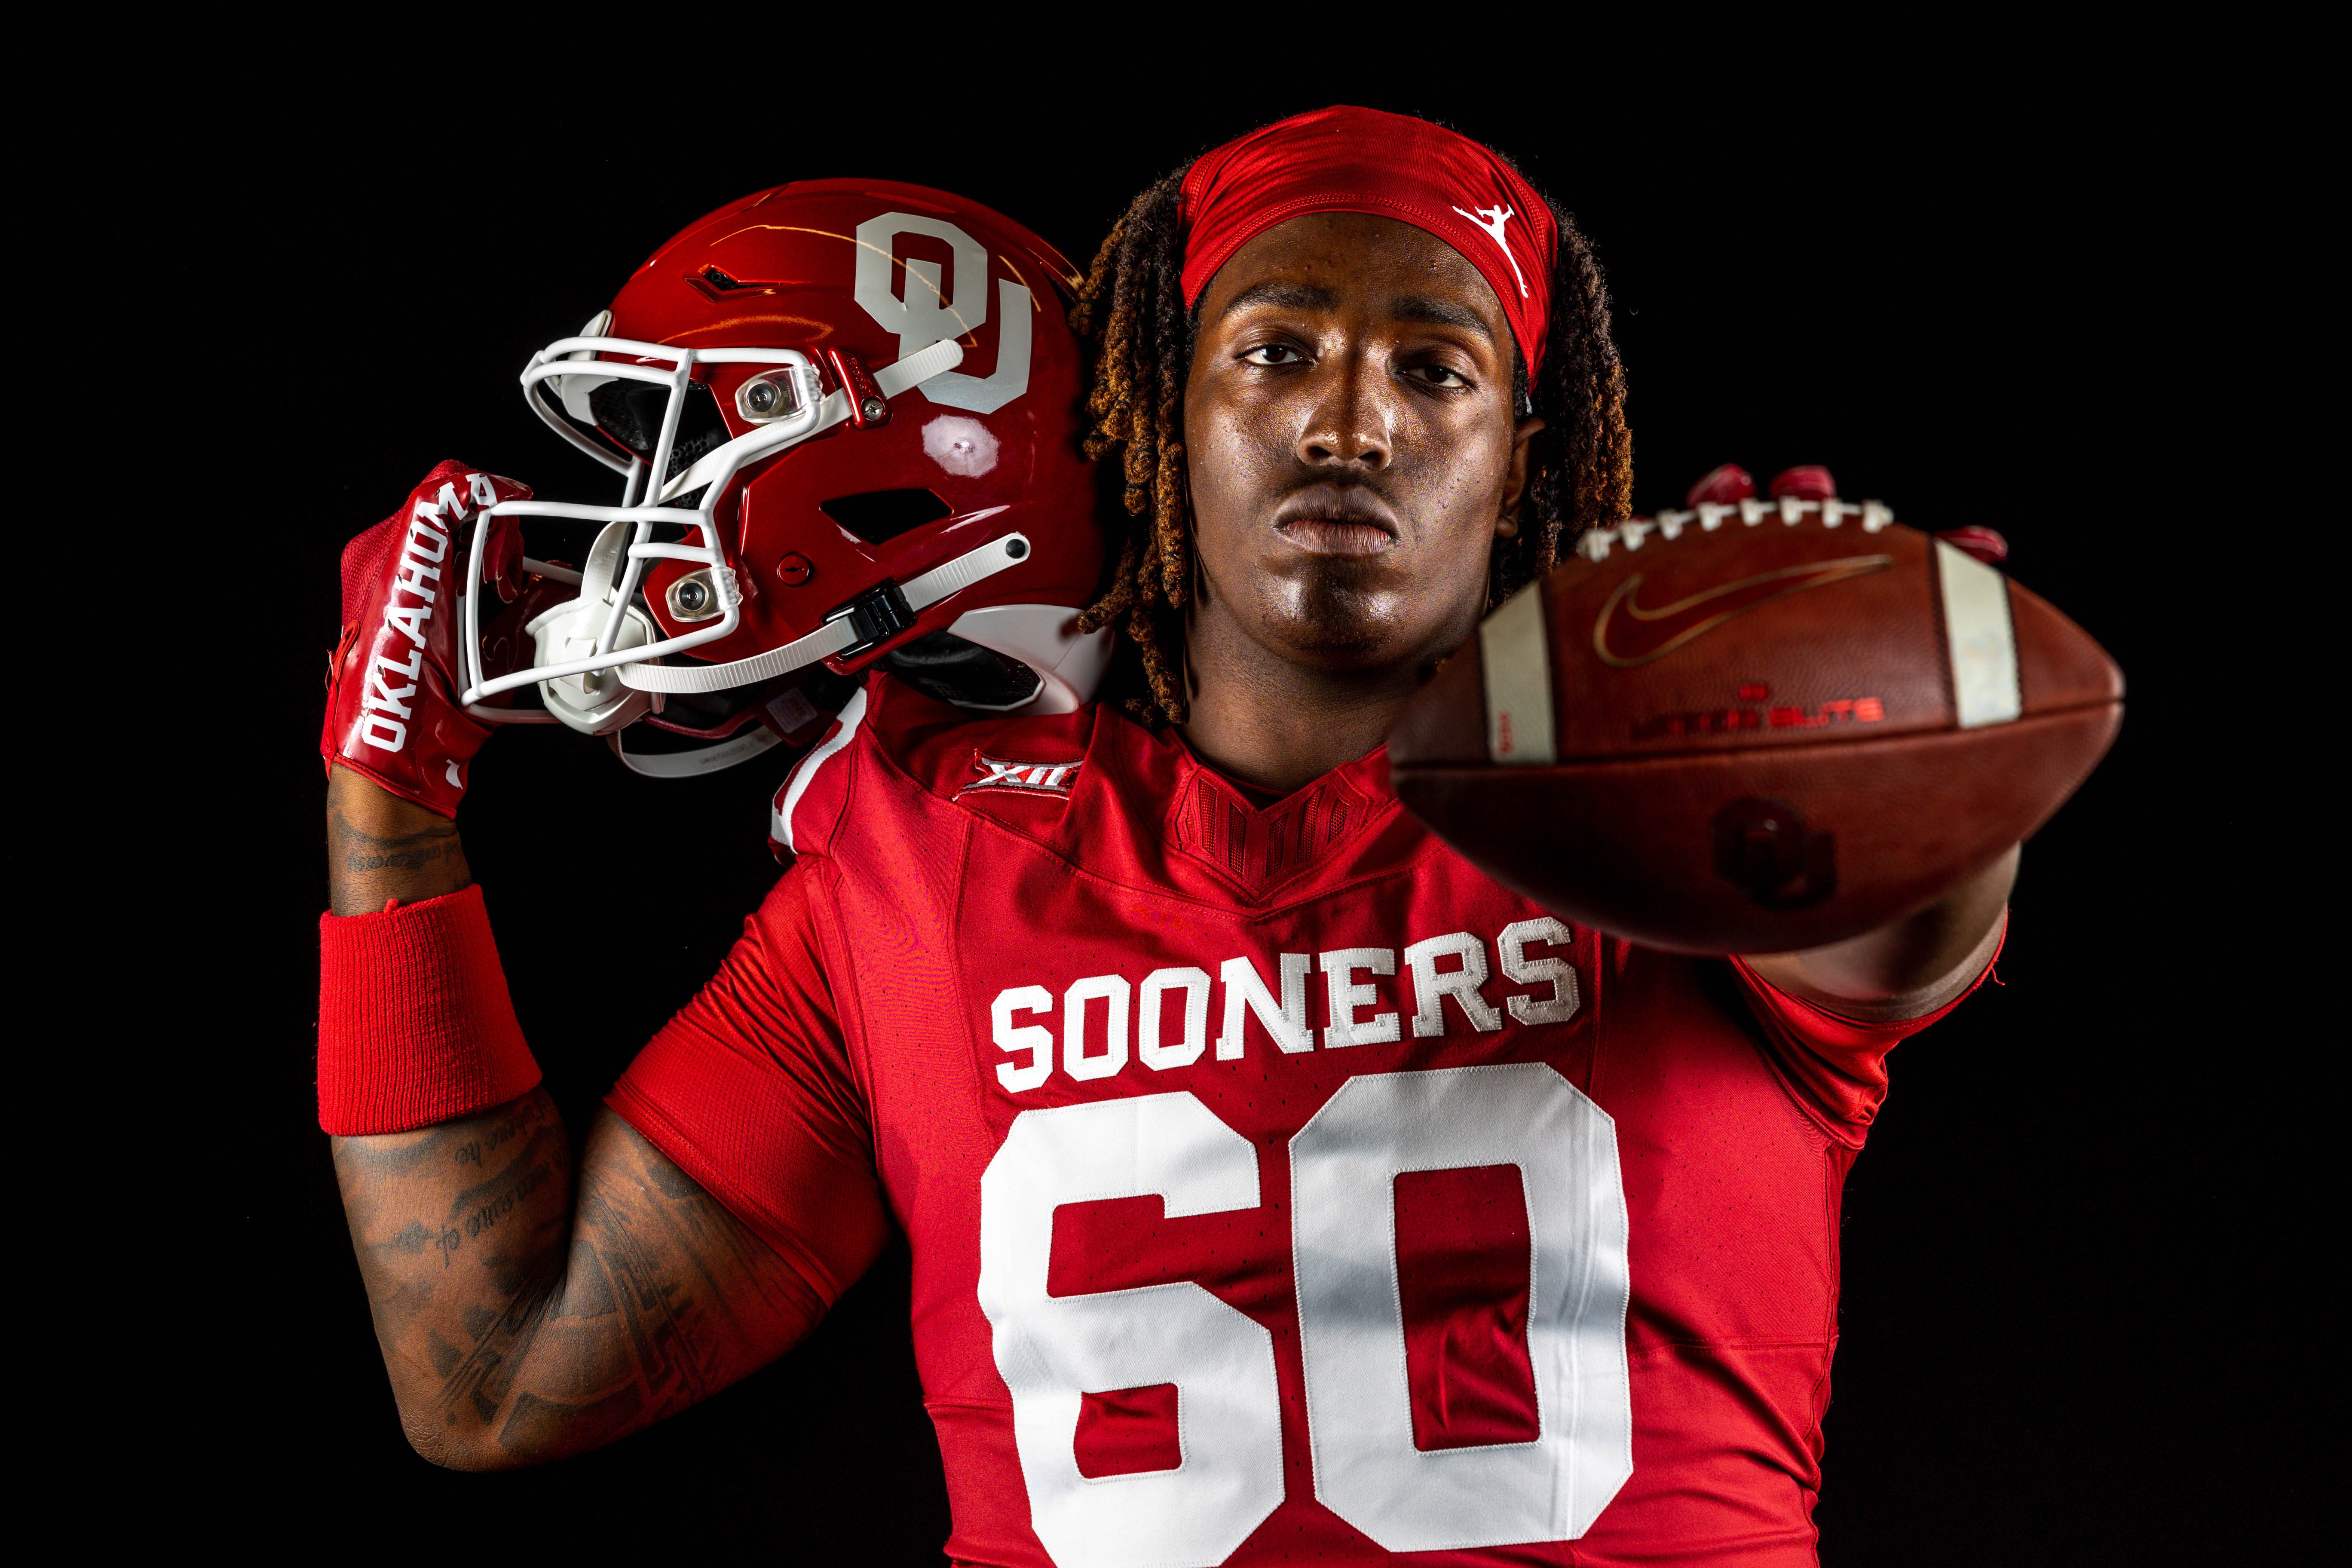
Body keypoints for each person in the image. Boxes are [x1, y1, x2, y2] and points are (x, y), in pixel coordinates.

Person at [319, 107, 2016, 1566]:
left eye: (1436, 367)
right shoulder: (915, 860)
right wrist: (392, 812)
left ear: (1524, 456)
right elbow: (498, 1375)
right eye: (1277, 348)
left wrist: (1900, 753)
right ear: (1151, 410)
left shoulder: (1650, 784)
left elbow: (1897, 923)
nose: (1347, 424)